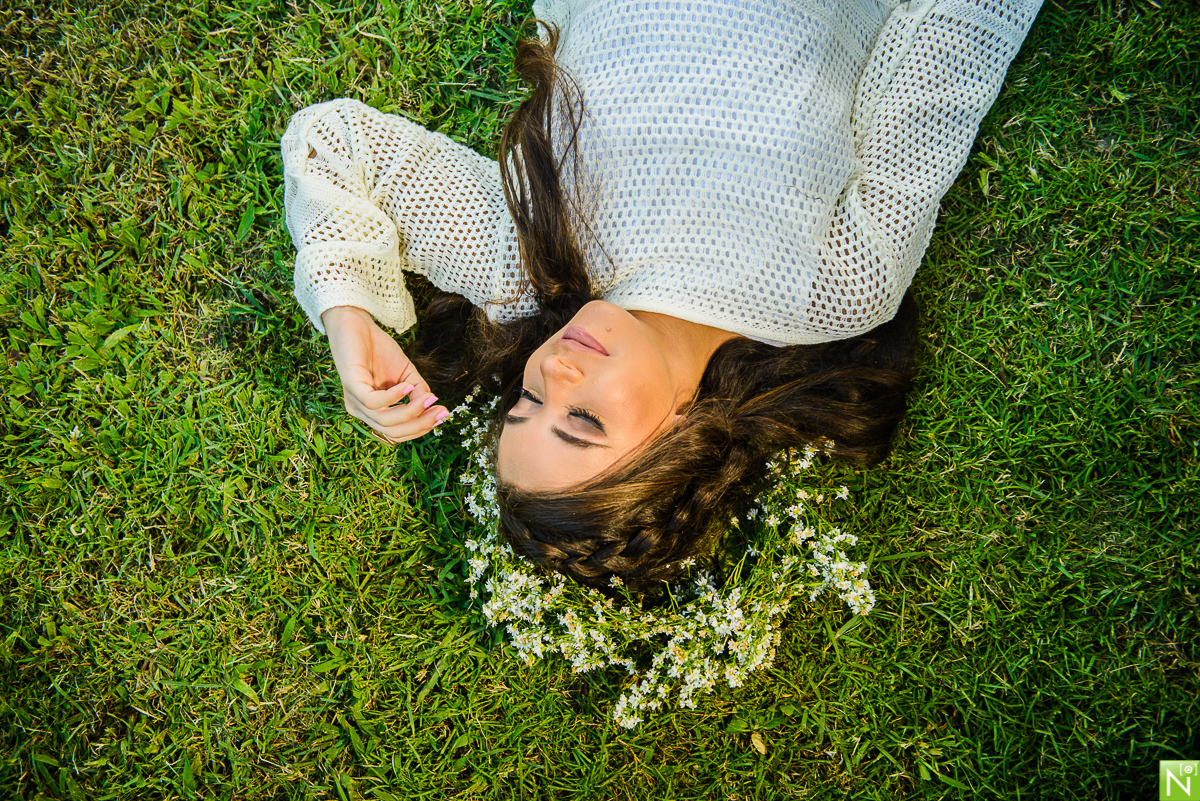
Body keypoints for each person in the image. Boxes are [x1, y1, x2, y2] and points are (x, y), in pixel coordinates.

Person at [282, 0, 1042, 591]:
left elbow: (333, 143)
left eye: (527, 400)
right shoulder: (840, 288)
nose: (556, 372)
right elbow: (949, 45)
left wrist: (347, 312)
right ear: (681, 435)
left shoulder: (530, 269)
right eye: (584, 420)